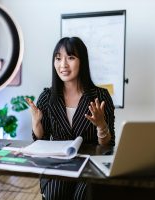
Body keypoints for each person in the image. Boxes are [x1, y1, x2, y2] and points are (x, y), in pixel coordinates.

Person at [26, 37, 115, 200]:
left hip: (91, 165)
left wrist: (102, 126)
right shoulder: (47, 96)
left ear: (82, 62)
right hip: (58, 164)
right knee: (55, 194)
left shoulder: (100, 96)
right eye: (58, 58)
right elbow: (42, 140)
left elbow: (108, 145)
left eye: (71, 58)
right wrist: (36, 122)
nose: (63, 65)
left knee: (83, 195)